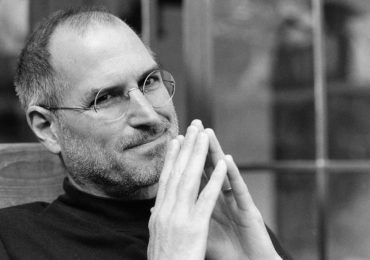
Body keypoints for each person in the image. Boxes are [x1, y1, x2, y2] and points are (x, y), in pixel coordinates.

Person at [0, 7, 291, 260]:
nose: (150, 115)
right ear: (47, 128)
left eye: (149, 81)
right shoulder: (14, 242)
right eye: (106, 98)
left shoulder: (225, 227)